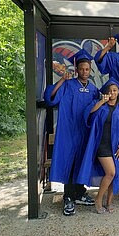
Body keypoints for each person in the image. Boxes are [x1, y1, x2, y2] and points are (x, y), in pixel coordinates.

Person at [44, 49, 99, 216]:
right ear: (76, 70)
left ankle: (80, 192)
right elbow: (50, 98)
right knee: (69, 161)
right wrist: (62, 80)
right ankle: (68, 196)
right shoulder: (68, 85)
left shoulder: (93, 89)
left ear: (90, 70)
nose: (84, 72)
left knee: (81, 161)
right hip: (68, 131)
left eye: (87, 69)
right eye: (81, 69)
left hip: (84, 131)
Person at [77, 78, 119, 214]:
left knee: (115, 174)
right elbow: (88, 114)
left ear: (118, 92)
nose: (112, 93)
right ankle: (98, 199)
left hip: (116, 146)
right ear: (106, 93)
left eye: (114, 90)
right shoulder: (100, 107)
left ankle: (109, 202)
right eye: (110, 91)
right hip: (102, 145)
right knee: (111, 172)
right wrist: (102, 100)